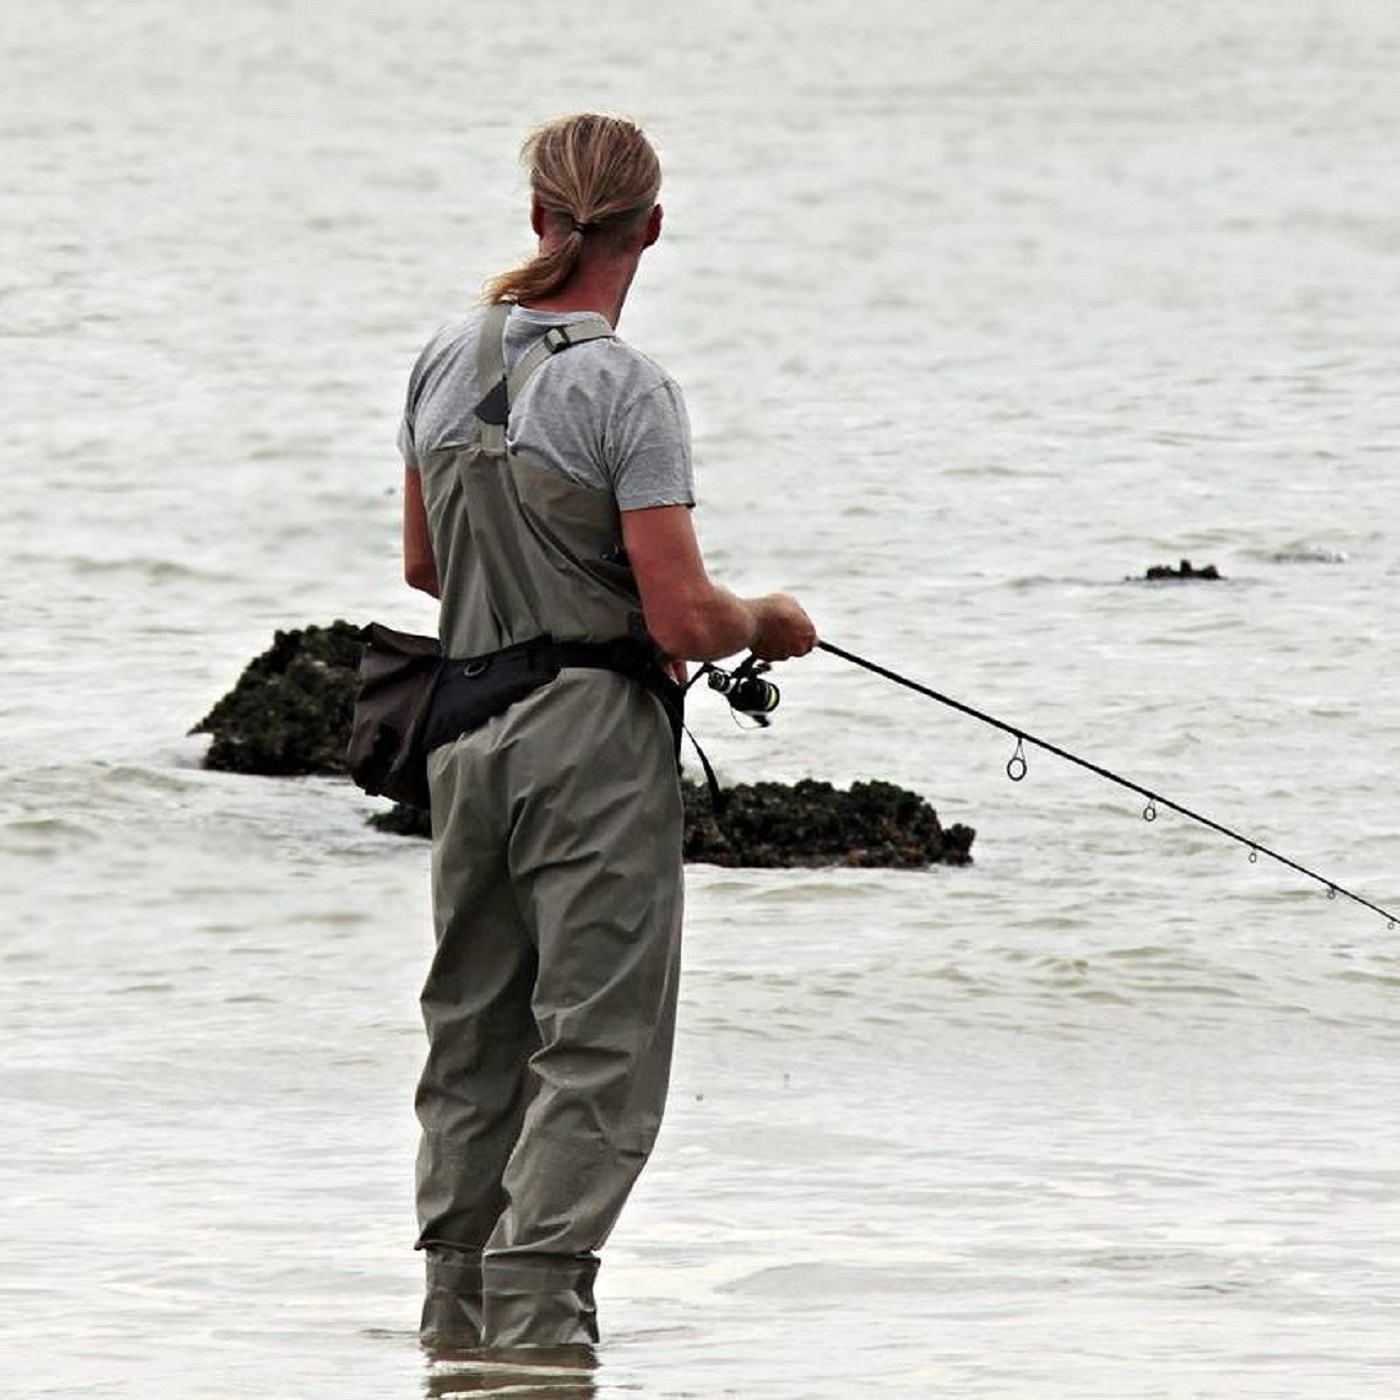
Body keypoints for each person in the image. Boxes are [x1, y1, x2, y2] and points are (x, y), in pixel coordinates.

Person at [398, 113, 816, 1352]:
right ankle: (537, 1325)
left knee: (471, 1031)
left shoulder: (439, 356)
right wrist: (773, 621)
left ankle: (453, 1324)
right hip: (587, 740)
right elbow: (684, 611)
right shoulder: (625, 387)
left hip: (461, 732)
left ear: (539, 216)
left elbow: (426, 567)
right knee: (596, 1041)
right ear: (651, 227)